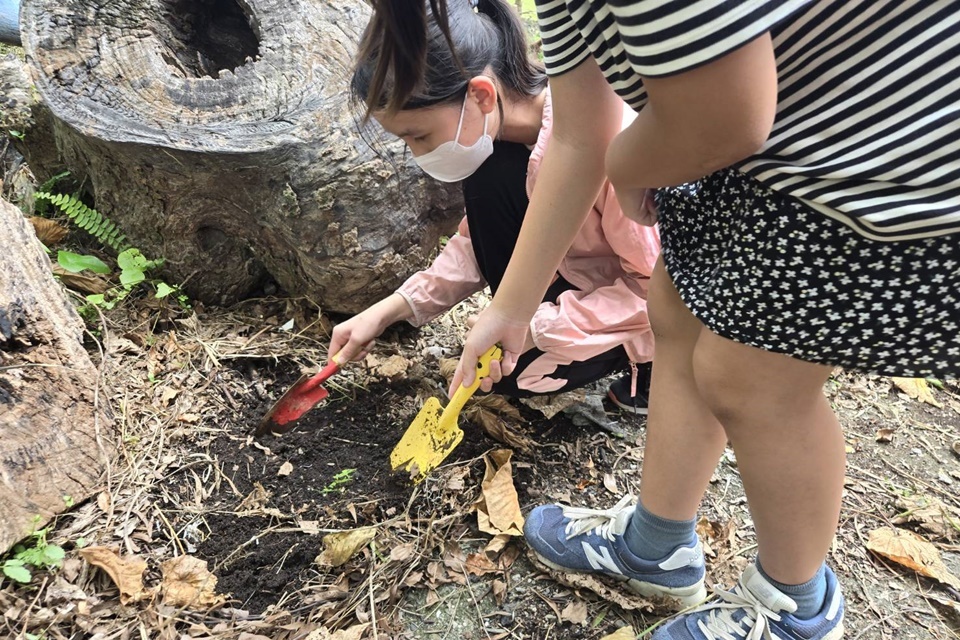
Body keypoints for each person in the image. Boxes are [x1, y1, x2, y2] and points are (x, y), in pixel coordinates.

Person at [359, 1, 960, 638]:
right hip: (761, 155)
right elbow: (578, 133)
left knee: (749, 377)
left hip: (887, 160)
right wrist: (508, 307)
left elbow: (726, 119)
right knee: (677, 312)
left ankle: (797, 607)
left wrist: (625, 167)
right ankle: (658, 544)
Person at [331, 0, 661, 410]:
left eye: (419, 136)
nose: (419, 155)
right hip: (564, 284)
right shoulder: (499, 143)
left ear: (481, 95)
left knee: (509, 376)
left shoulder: (606, 143)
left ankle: (649, 367)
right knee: (493, 172)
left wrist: (538, 328)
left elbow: (655, 286)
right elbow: (477, 243)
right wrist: (390, 309)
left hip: (629, 311)